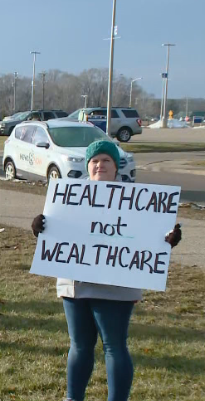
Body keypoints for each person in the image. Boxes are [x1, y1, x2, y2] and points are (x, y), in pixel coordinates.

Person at [30, 140, 183, 401]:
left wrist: (168, 239)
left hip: (117, 285)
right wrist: (40, 228)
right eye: (94, 161)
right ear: (87, 166)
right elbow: (58, 234)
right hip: (76, 284)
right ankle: (72, 397)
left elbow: (152, 235)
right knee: (79, 345)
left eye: (106, 160)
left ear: (116, 166)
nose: (100, 165)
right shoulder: (69, 197)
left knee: (114, 346)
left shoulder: (138, 200)